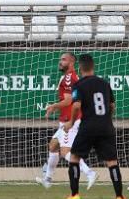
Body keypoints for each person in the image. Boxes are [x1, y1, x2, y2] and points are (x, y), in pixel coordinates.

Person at [60, 54, 126, 199]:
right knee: (112, 161)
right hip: (106, 127)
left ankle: (75, 195)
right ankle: (120, 197)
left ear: (80, 68)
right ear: (93, 67)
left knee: (75, 158)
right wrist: (106, 119)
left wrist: (70, 121)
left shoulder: (79, 85)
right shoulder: (104, 83)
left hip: (88, 126)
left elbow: (76, 105)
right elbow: (112, 106)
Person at [39, 52, 99, 190]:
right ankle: (47, 179)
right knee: (53, 145)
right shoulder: (72, 77)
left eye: (64, 60)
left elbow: (68, 101)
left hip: (70, 121)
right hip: (69, 119)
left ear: (71, 63)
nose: (60, 62)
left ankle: (90, 173)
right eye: (60, 59)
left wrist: (53, 106)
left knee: (66, 152)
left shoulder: (68, 78)